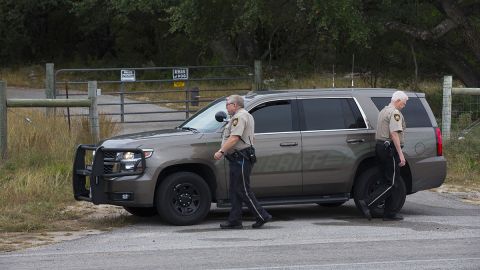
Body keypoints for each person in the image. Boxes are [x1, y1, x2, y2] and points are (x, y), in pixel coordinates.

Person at [214, 94, 272, 229]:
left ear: (235, 105)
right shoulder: (243, 115)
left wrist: (221, 151)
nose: (226, 107)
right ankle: (235, 220)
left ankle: (262, 215)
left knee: (242, 189)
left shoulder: (240, 117)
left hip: (241, 157)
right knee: (235, 190)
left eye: (227, 104)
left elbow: (234, 138)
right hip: (238, 157)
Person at [359, 90, 408, 221]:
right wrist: (400, 154)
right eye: (403, 103)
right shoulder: (395, 113)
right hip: (389, 149)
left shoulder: (383, 111)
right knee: (392, 182)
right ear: (397, 101)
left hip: (380, 147)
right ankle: (368, 203)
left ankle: (389, 213)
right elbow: (394, 134)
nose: (404, 106)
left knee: (387, 180)